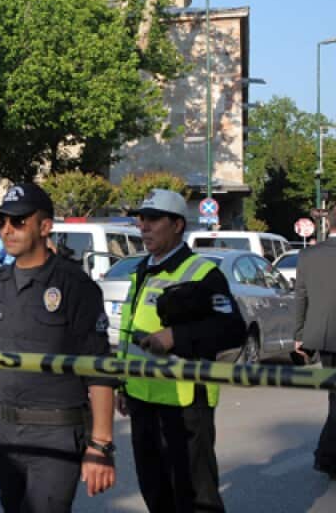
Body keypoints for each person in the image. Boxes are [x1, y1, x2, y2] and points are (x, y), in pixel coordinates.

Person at [0, 182, 116, 512]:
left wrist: (101, 444)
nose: (8, 230)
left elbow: (99, 367)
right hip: (9, 430)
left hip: (58, 432)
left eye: (19, 221)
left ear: (45, 227)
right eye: (1, 223)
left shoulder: (75, 286)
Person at [116, 188, 246, 513]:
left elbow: (232, 330)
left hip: (185, 404)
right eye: (141, 218)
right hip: (142, 398)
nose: (143, 226)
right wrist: (122, 382)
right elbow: (128, 332)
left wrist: (177, 335)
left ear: (177, 225)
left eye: (153, 219)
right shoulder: (142, 269)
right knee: (155, 490)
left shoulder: (203, 273)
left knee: (195, 497)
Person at [293, 207, 336, 479]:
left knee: (334, 396)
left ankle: (327, 454)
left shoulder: (309, 255)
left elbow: (300, 297)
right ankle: (326, 453)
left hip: (323, 336)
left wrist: (299, 334)